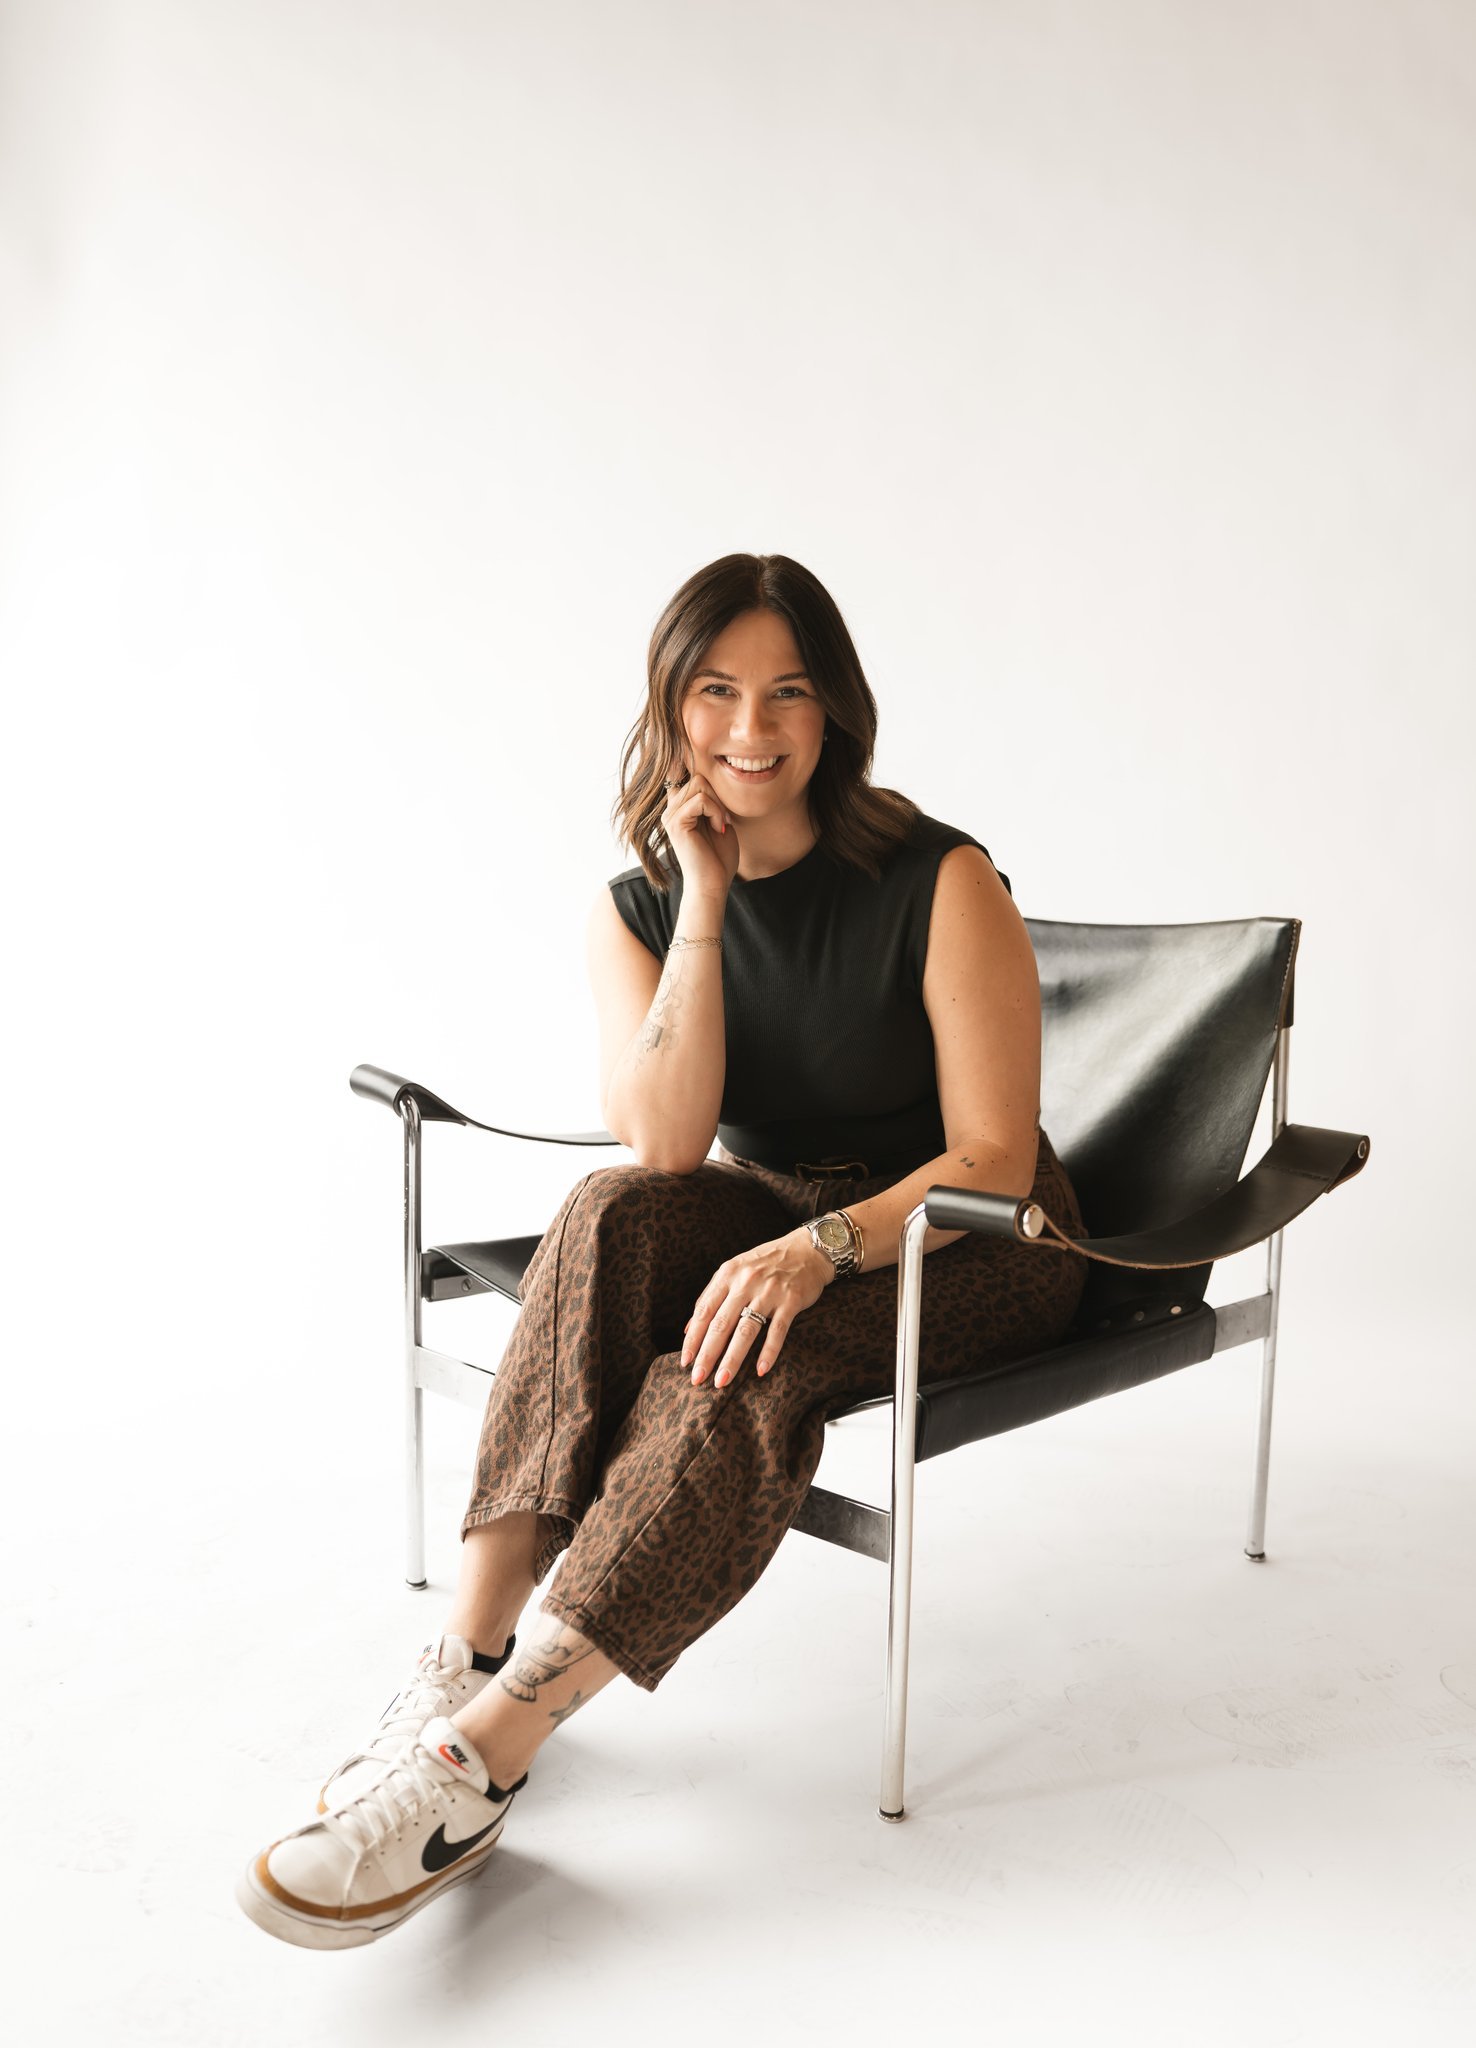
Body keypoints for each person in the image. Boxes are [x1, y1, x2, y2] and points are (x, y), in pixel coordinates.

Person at [237, 553, 1088, 1949]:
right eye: (716, 693)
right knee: (604, 1215)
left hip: (974, 1233)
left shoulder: (939, 877)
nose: (752, 731)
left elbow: (992, 1150)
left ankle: (481, 1762)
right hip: (773, 1203)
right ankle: (466, 1655)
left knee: (755, 1344)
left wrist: (818, 1249)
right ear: (671, 708)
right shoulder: (637, 907)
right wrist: (703, 897)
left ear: (836, 713)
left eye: (788, 695)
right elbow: (668, 1150)